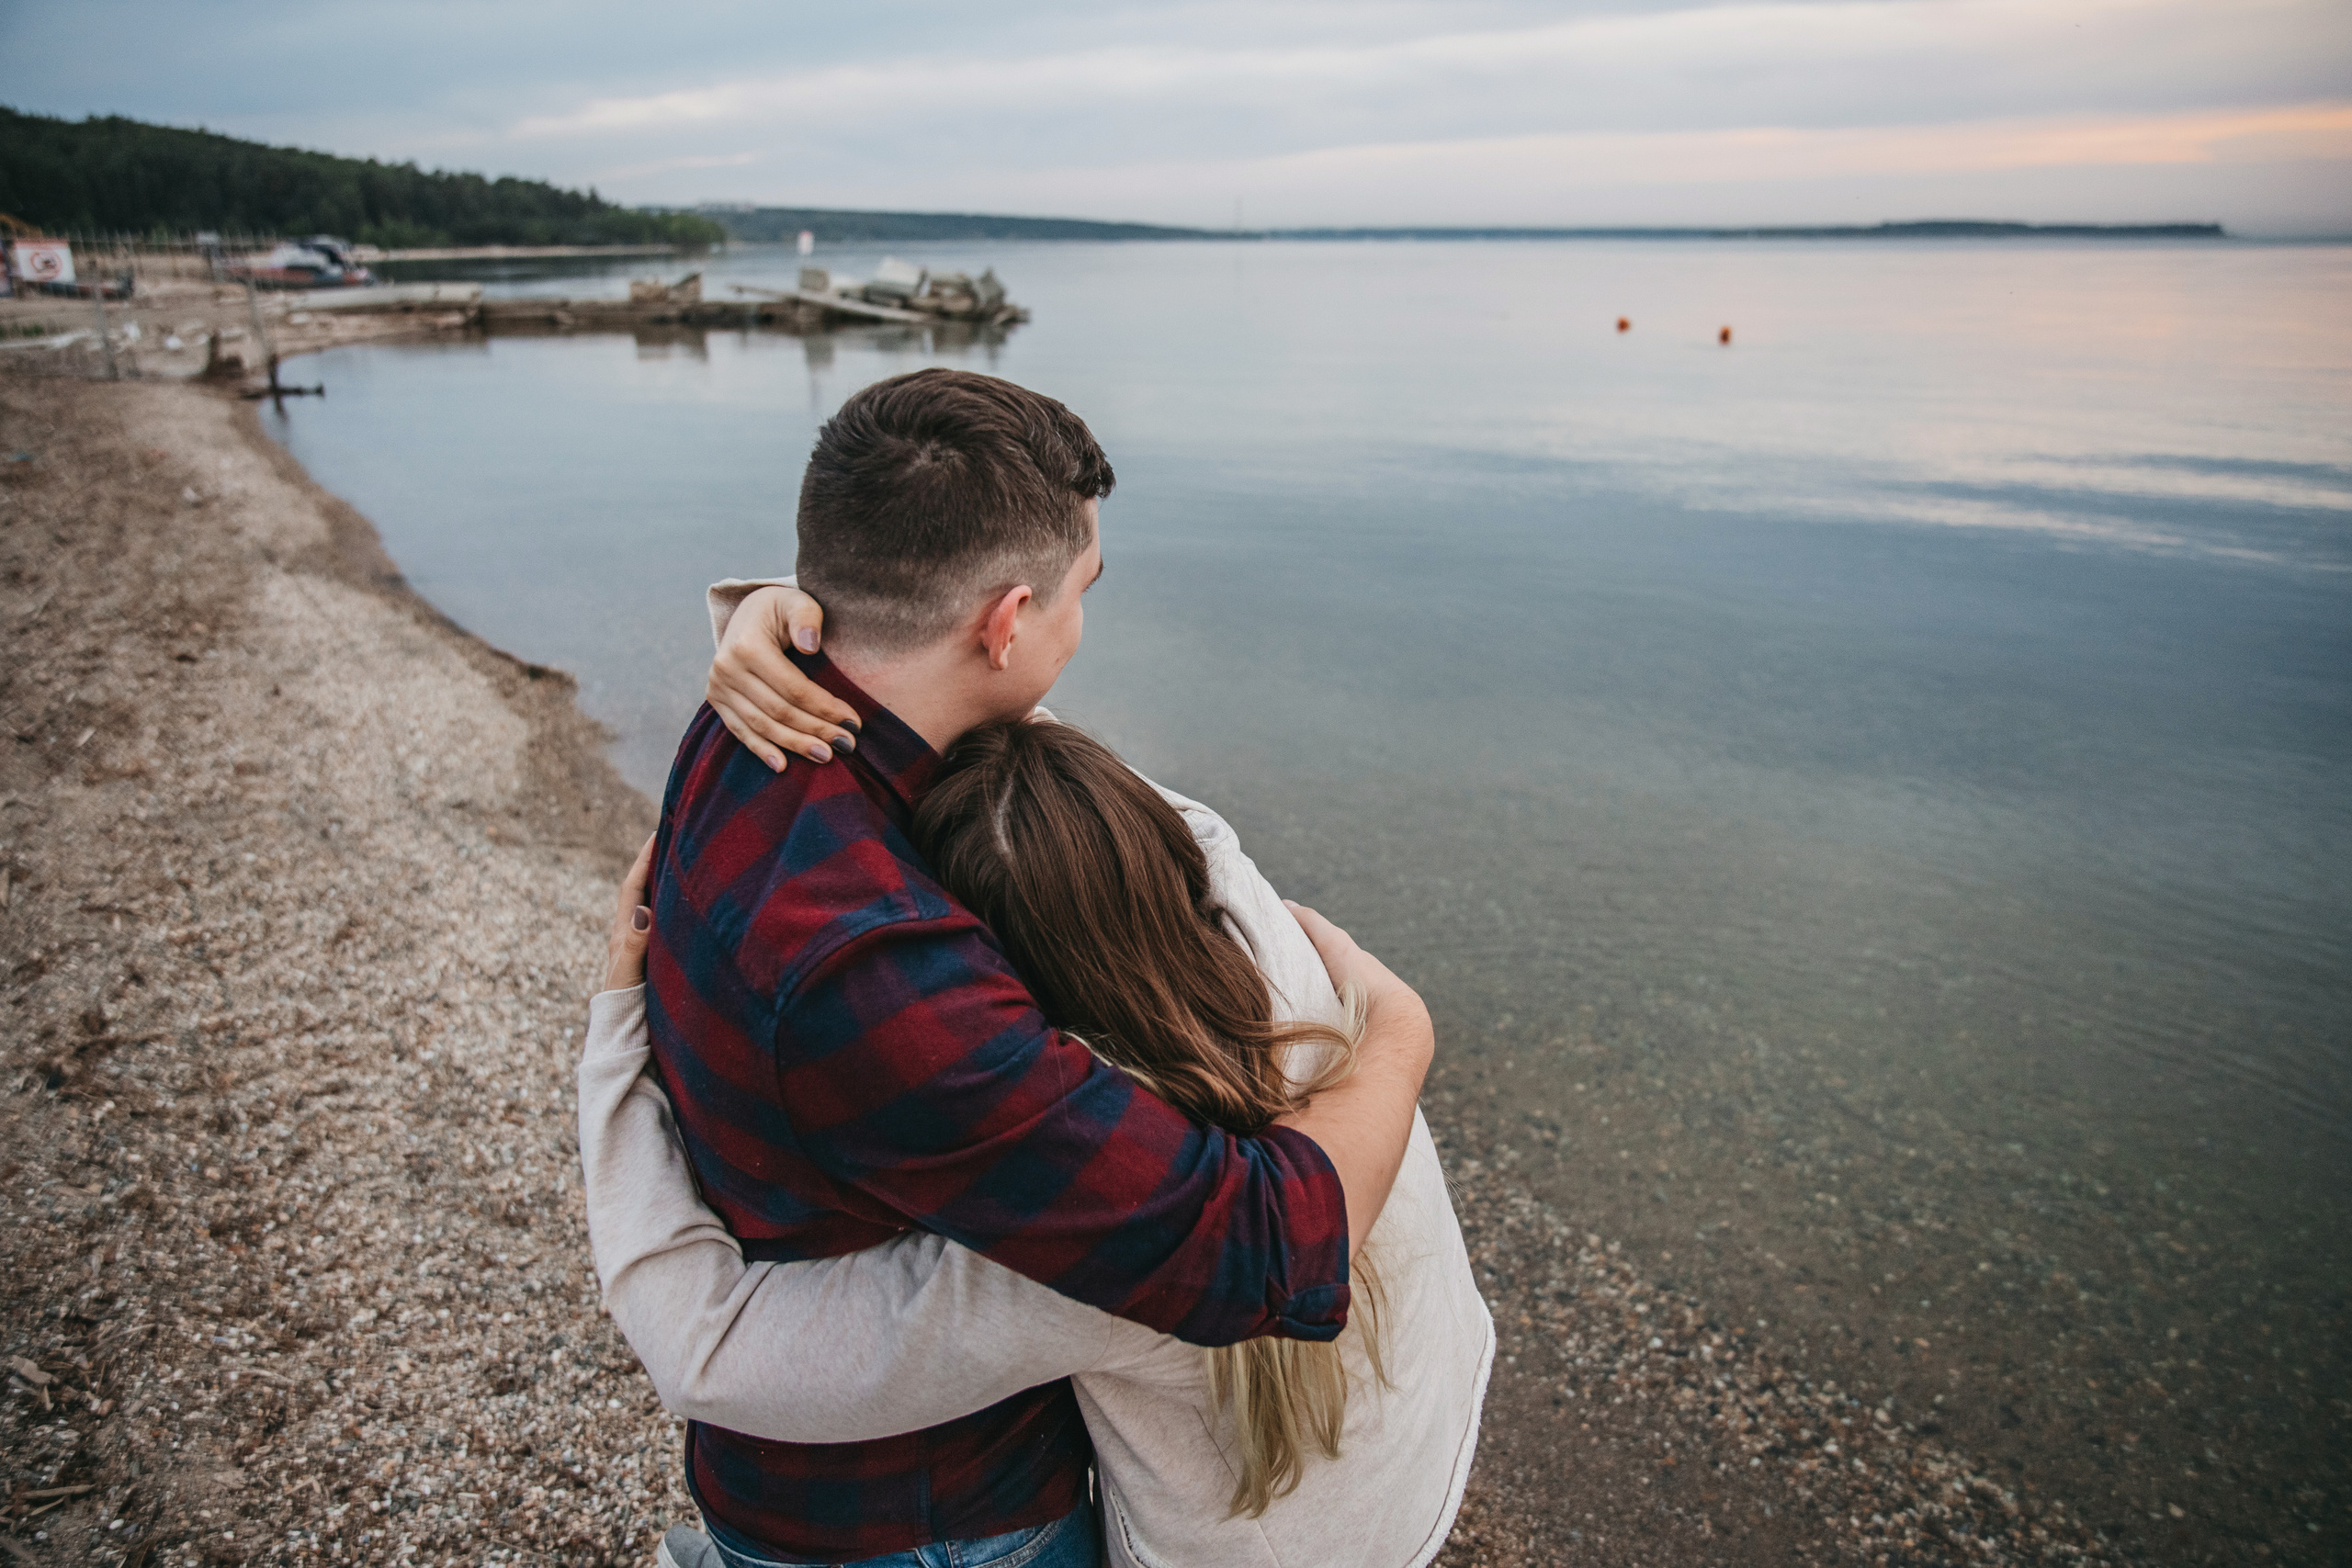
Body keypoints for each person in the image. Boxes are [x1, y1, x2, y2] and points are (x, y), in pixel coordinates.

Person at [616, 370, 1438, 1568]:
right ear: (1005, 622)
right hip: (930, 1515)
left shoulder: (754, 721)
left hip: (783, 1464)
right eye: (1080, 594)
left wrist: (764, 608)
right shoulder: (880, 976)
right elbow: (1263, 1246)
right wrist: (1404, 1030)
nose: (1080, 624)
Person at [583, 697, 1492, 1566]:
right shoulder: (1264, 924)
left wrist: (617, 1028)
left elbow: (709, 1351)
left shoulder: (1111, 1229)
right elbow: (996, 684)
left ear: (997, 996)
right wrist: (1403, 1028)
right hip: (1428, 1438)